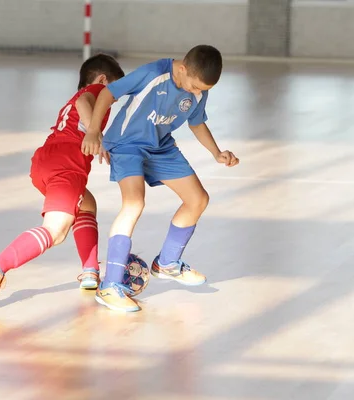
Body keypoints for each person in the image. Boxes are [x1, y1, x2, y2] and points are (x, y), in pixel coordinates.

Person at [82, 45, 240, 312]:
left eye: (203, 89)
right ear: (182, 69)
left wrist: (217, 152)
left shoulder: (199, 88)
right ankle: (109, 286)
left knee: (198, 199)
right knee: (134, 204)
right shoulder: (154, 73)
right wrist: (94, 130)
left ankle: (167, 263)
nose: (197, 93)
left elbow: (196, 122)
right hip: (127, 144)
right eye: (194, 86)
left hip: (161, 147)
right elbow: (109, 92)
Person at [0, 54, 125, 309]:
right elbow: (84, 101)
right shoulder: (97, 91)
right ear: (103, 80)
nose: (113, 99)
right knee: (56, 231)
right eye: (115, 92)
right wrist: (94, 133)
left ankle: (90, 272)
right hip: (66, 165)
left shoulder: (75, 101)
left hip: (46, 160)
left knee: (87, 204)